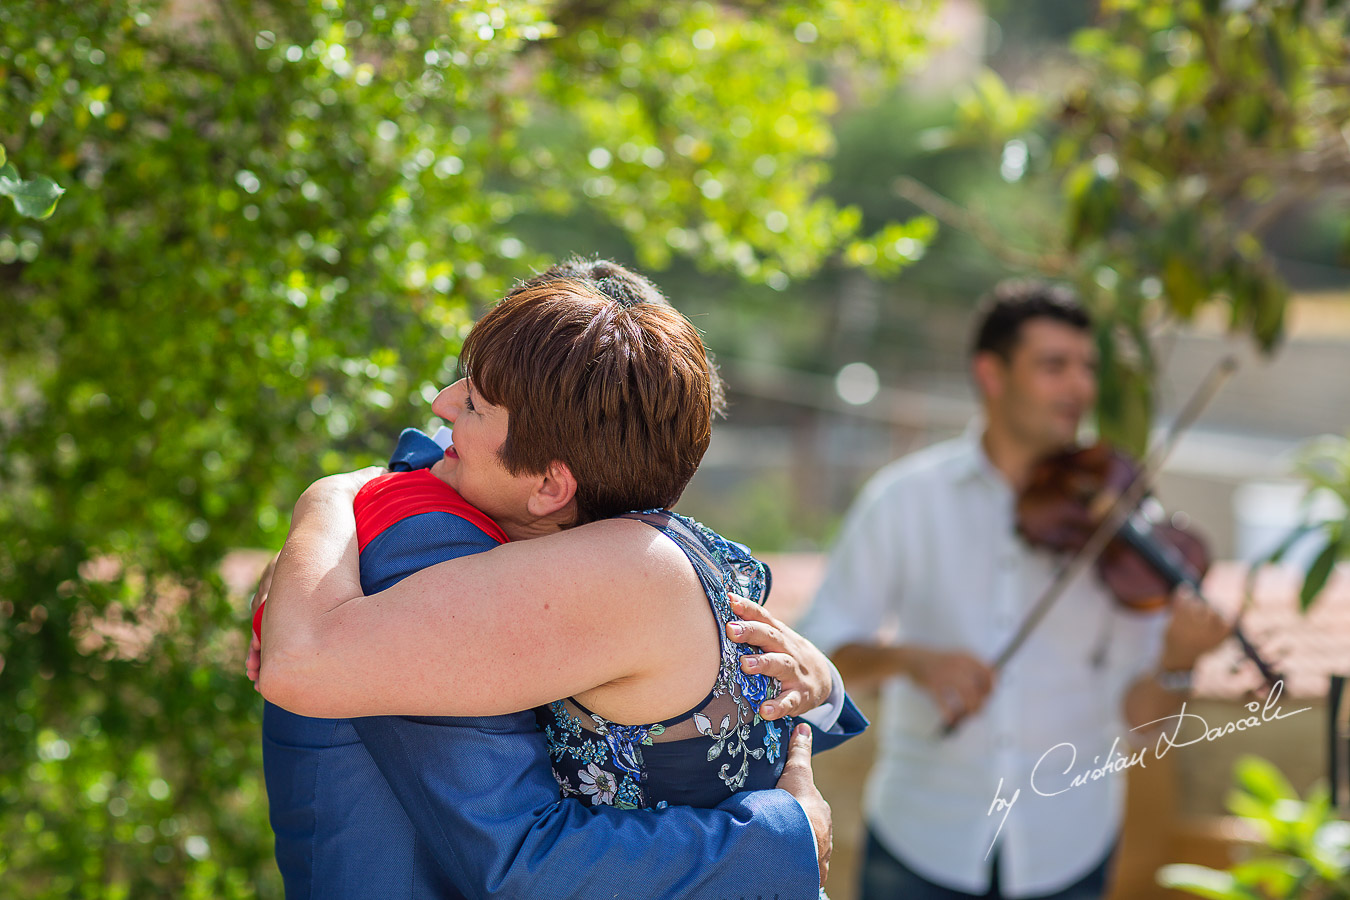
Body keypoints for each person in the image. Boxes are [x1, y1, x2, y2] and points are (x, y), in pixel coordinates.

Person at [254, 259, 864, 898]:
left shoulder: (611, 573)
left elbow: (302, 664)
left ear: (551, 484)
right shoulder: (654, 540)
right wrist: (824, 684)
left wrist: (328, 498)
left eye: (475, 404)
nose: (440, 408)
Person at [796, 280, 1230, 900]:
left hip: (1067, 847)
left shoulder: (1118, 520)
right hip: (923, 839)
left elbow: (1144, 724)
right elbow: (820, 652)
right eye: (1054, 366)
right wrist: (913, 661)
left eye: (1086, 368)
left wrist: (1180, 662)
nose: (1079, 387)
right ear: (991, 375)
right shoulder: (906, 500)